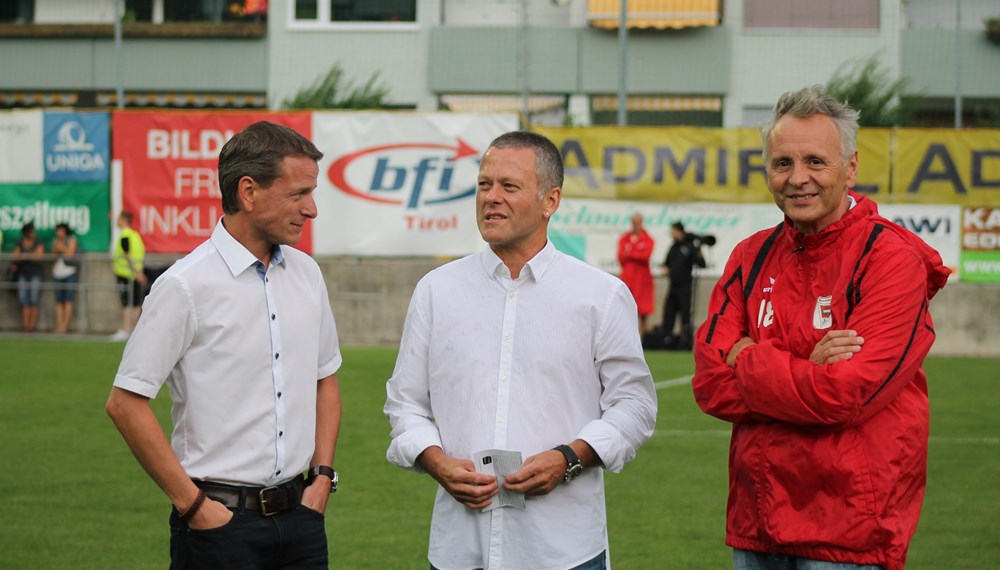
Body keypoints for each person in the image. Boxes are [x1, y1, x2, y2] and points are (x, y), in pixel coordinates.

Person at [692, 86, 950, 570]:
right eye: (782, 163)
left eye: (816, 161)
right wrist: (805, 369)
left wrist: (748, 356)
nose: (798, 179)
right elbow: (709, 384)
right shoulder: (750, 256)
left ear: (850, 168)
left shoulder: (891, 260)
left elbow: (844, 395)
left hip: (849, 535)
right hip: (758, 525)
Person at [384, 131, 657, 570]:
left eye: (509, 186)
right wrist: (436, 463)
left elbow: (635, 406)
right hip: (460, 549)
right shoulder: (437, 290)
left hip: (564, 550)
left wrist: (569, 458)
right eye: (484, 184)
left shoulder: (601, 295)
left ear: (551, 201)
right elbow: (404, 405)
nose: (491, 198)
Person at [106, 121, 343, 570]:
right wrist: (196, 507)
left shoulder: (308, 274)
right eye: (298, 193)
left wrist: (322, 478)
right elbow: (125, 403)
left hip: (303, 519)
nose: (311, 209)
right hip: (217, 526)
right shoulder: (184, 285)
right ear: (248, 192)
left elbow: (325, 379)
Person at [660, 220, 705, 348]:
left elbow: (701, 264)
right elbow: (666, 263)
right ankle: (667, 341)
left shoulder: (689, 246)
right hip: (673, 286)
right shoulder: (674, 247)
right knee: (669, 313)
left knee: (685, 316)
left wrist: (698, 249)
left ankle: (685, 342)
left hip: (685, 287)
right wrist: (666, 269)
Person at [110, 211, 146, 341]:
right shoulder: (135, 235)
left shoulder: (125, 235)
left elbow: (127, 254)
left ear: (124, 220)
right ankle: (133, 329)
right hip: (135, 274)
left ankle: (126, 330)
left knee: (127, 303)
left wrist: (137, 272)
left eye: (119, 219)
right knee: (136, 303)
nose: (117, 221)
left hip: (126, 274)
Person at [617, 212, 655, 336]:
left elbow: (645, 256)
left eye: (638, 223)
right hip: (628, 278)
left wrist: (631, 253)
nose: (636, 225)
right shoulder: (624, 239)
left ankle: (645, 339)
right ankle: (626, 338)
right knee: (626, 310)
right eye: (634, 223)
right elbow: (621, 257)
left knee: (643, 311)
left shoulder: (648, 239)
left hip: (642, 279)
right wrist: (636, 253)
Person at [13, 222, 45, 332]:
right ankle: (26, 325)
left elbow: (39, 257)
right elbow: (16, 257)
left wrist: (25, 256)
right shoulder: (20, 243)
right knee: (24, 300)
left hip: (35, 274)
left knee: (34, 300)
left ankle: (32, 326)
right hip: (23, 274)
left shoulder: (38, 242)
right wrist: (31, 255)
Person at [51, 222, 80, 334]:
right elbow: (52, 256)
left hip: (69, 272)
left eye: (60, 230)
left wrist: (61, 247)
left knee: (68, 300)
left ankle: (65, 326)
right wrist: (56, 248)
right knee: (59, 300)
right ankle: (59, 325)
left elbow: (69, 254)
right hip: (57, 273)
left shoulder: (71, 239)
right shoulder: (55, 242)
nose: (58, 233)